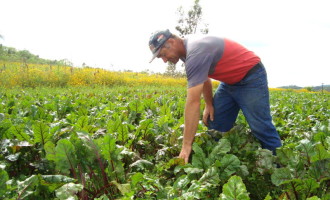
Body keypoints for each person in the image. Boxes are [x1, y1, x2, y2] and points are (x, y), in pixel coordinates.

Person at [148, 29, 282, 163]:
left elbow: (193, 102)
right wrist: (209, 103)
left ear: (171, 42)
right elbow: (204, 76)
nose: (165, 60)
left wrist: (186, 145)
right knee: (216, 123)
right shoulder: (186, 50)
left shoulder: (196, 51)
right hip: (229, 82)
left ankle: (280, 167)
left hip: (250, 77)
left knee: (260, 127)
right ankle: (219, 163)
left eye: (163, 54)